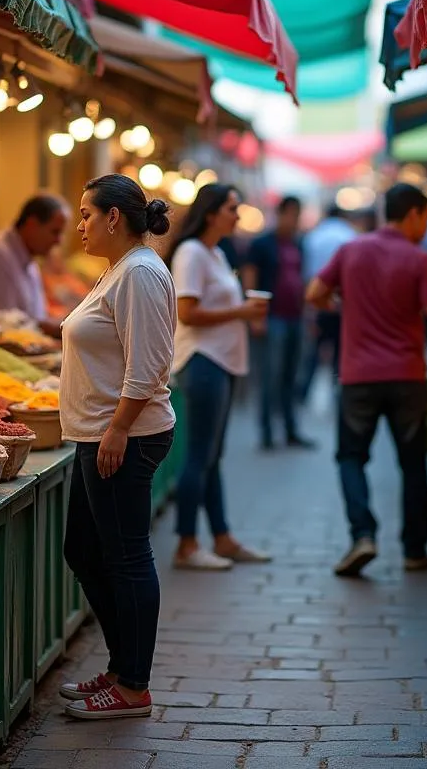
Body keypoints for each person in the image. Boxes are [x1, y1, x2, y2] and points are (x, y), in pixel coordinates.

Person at [306, 184, 427, 577]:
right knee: (411, 463)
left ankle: (363, 534)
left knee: (350, 457)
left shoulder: (351, 251)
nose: (426, 227)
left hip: (359, 376)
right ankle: (414, 551)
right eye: (425, 218)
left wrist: (340, 303)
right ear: (412, 214)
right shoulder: (419, 259)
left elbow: (314, 293)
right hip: (406, 376)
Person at [58, 174, 175, 721]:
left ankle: (133, 686)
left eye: (86, 213)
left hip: (123, 434)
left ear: (113, 218)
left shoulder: (141, 274)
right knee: (83, 551)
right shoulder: (118, 271)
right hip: (98, 432)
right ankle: (121, 665)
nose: (78, 224)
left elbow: (149, 364)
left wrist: (119, 428)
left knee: (126, 556)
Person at [168, 183, 272, 570]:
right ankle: (187, 544)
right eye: (232, 207)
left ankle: (222, 537)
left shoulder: (214, 253)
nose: (238, 214)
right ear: (211, 212)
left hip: (223, 363)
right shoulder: (192, 253)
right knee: (199, 455)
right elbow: (188, 313)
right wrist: (241, 313)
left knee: (212, 456)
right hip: (202, 361)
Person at [242, 196, 314, 450]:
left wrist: (308, 315)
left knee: (291, 376)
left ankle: (291, 429)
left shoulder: (299, 244)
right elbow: (250, 278)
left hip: (294, 317)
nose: (294, 220)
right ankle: (267, 433)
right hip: (272, 318)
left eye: (297, 215)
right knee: (270, 377)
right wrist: (255, 316)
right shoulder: (262, 244)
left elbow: (301, 280)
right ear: (281, 214)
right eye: (292, 214)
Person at [0, 194, 67, 335]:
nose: (59, 241)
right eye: (55, 232)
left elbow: (34, 318)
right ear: (32, 224)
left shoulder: (28, 259)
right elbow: (2, 323)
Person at [298, 203, 356, 402]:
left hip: (318, 301)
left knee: (314, 350)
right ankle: (338, 389)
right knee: (340, 351)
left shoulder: (314, 236)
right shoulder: (349, 235)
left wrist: (310, 309)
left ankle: (303, 391)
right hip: (342, 304)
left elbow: (307, 275)